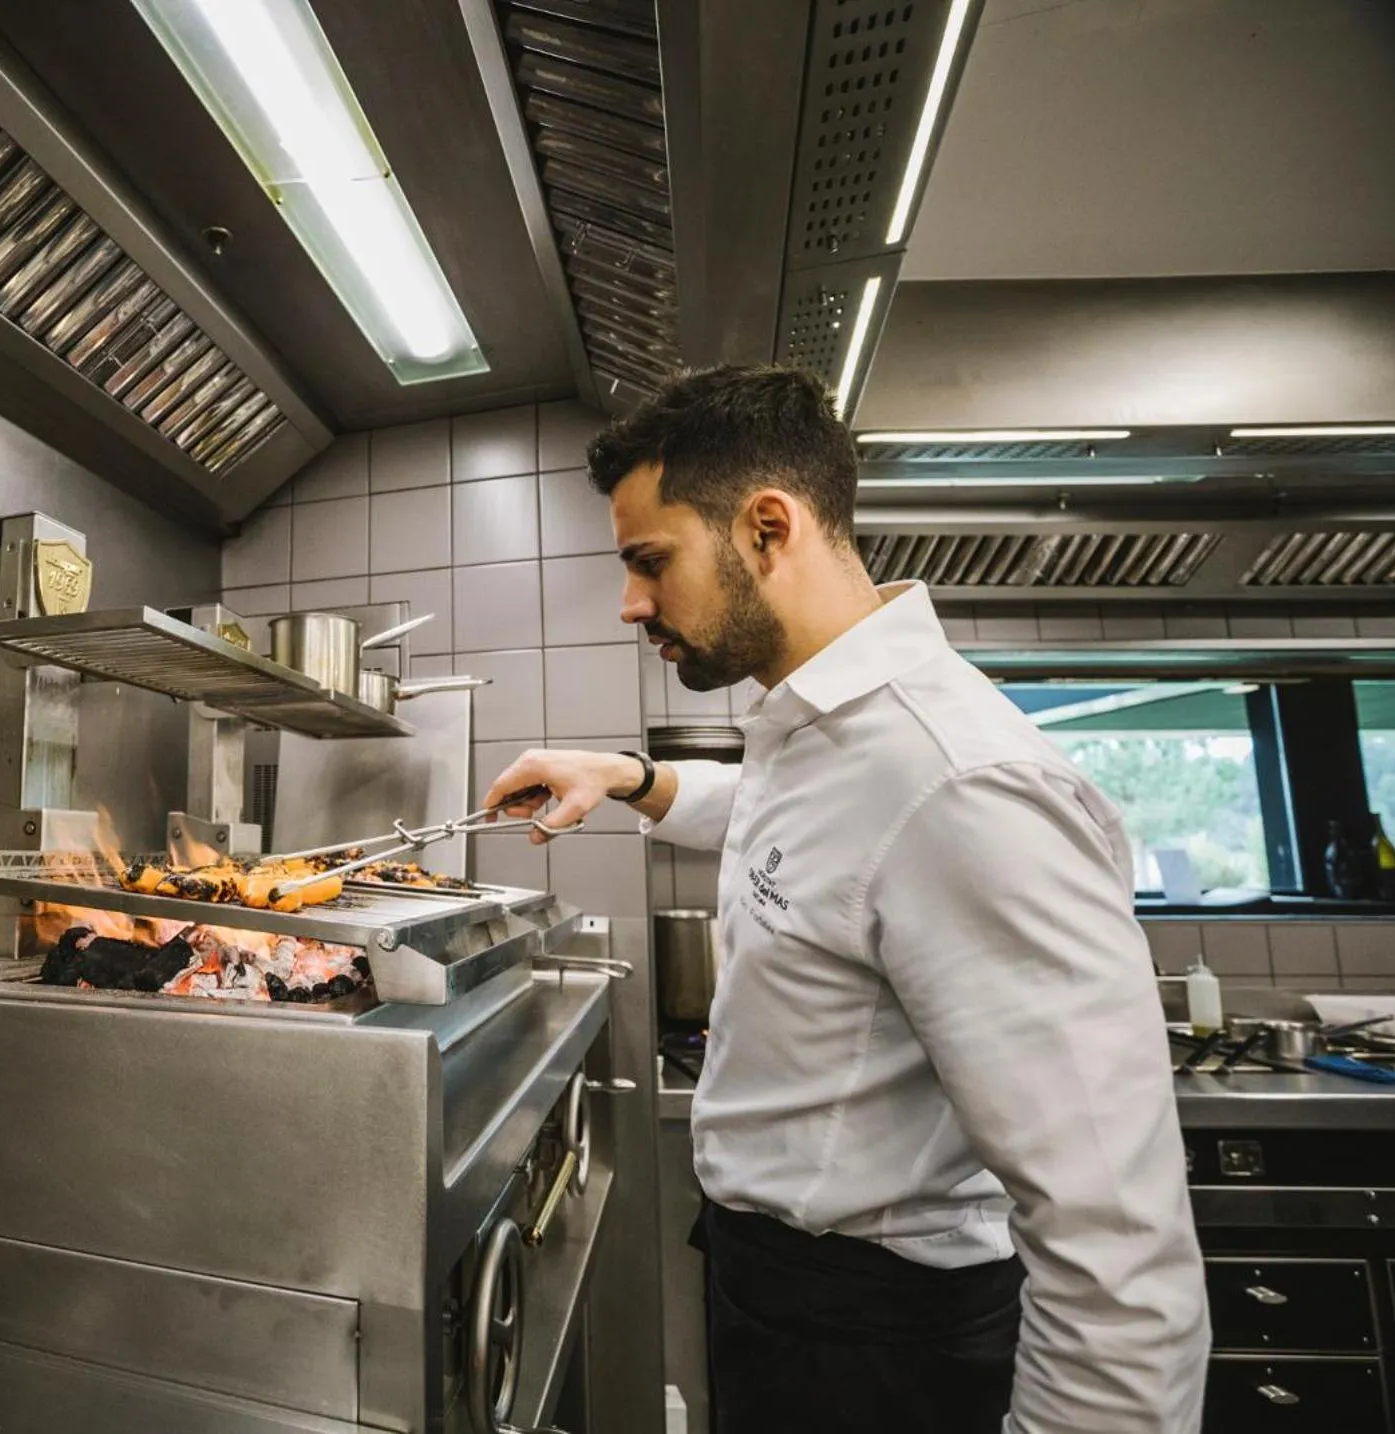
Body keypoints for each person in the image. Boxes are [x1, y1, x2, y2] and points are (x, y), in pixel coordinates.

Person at [482, 365, 1208, 1434]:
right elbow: (808, 836)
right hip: (781, 1293)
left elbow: (1117, 1242)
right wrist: (629, 778)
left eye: (649, 561)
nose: (630, 602)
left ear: (767, 529)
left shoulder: (960, 784)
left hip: (880, 1344)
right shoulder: (826, 728)